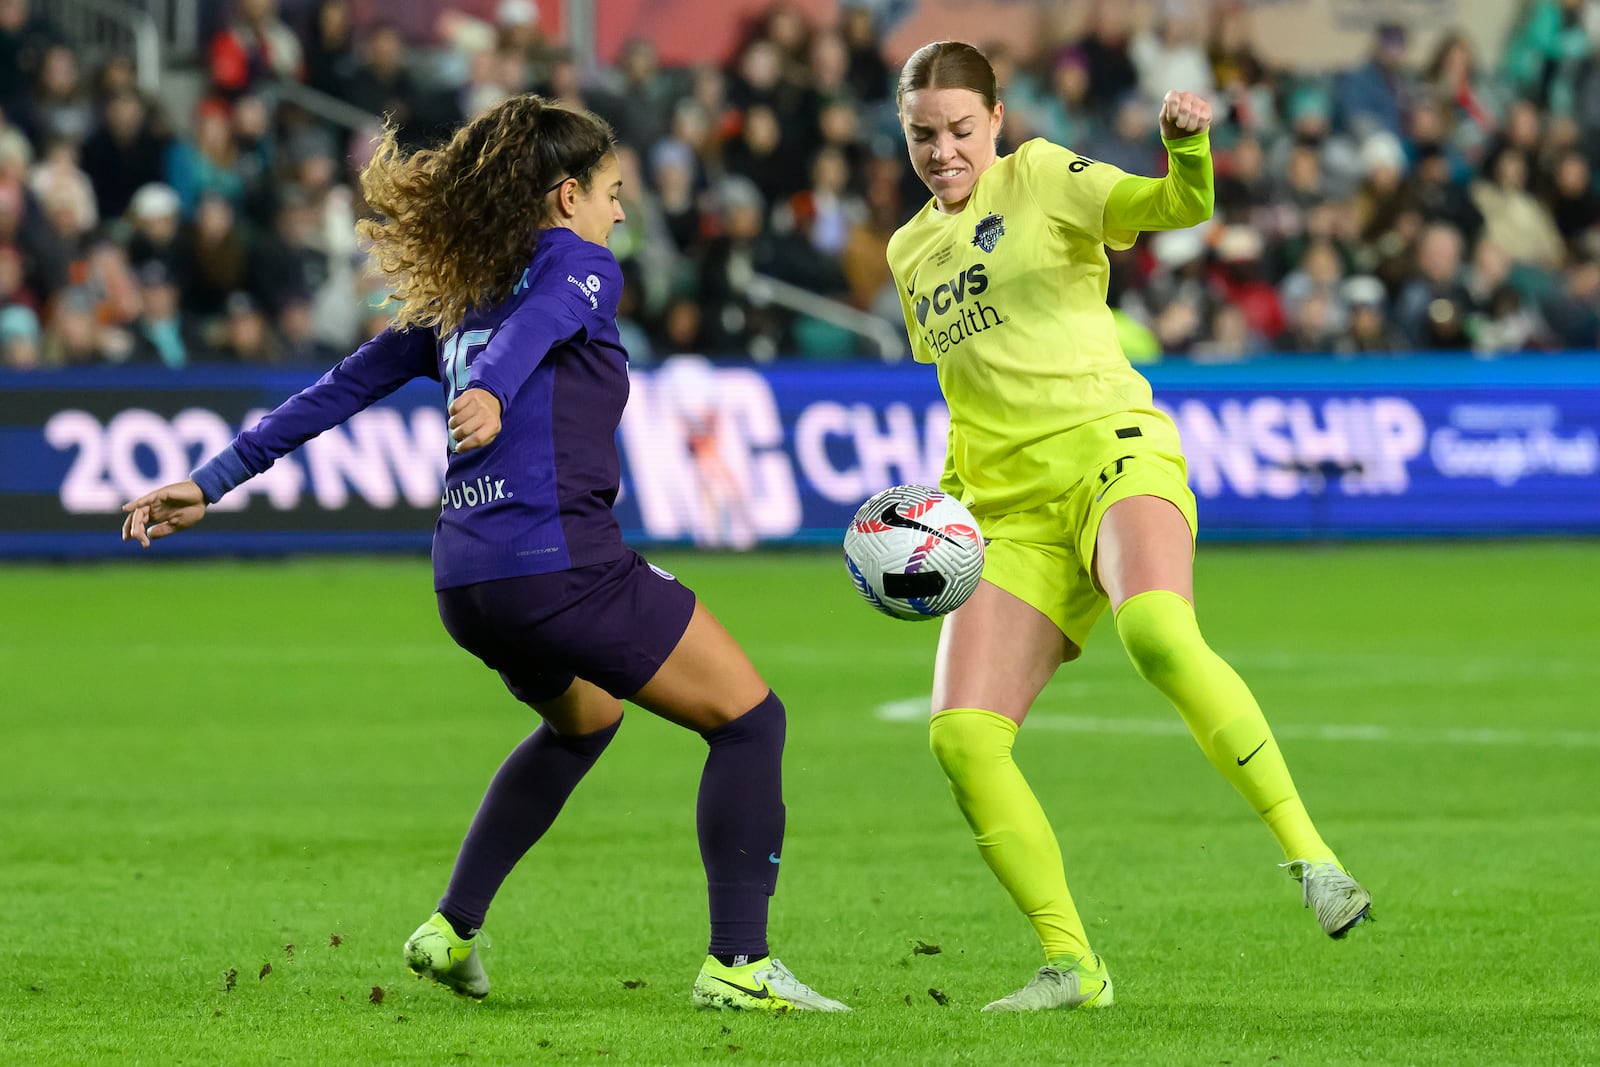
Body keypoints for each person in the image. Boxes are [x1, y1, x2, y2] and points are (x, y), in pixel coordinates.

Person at [118, 94, 847, 1015]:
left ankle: (453, 927)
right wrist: (497, 390)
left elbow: (340, 386)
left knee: (585, 723)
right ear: (566, 194)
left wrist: (213, 478)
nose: (621, 214)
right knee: (751, 719)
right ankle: (739, 963)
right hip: (561, 564)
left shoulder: (464, 292)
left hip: (468, 578)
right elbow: (536, 328)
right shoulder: (578, 267)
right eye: (613, 194)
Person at [886, 41, 1371, 1013]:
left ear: (997, 119)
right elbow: (965, 391)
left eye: (959, 130)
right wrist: (936, 511)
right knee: (962, 737)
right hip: (1009, 511)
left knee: (1156, 628)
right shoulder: (908, 253)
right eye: (921, 135)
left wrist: (1184, 153)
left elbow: (1170, 209)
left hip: (1114, 451)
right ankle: (1074, 966)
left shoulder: (1042, 175)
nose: (943, 151)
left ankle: (1311, 856)